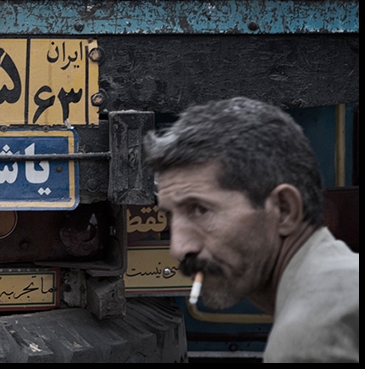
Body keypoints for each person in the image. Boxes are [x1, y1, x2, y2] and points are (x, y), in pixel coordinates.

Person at [143, 97, 358, 363]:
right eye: (169, 216)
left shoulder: (309, 338)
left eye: (200, 210)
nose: (178, 248)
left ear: (284, 210)